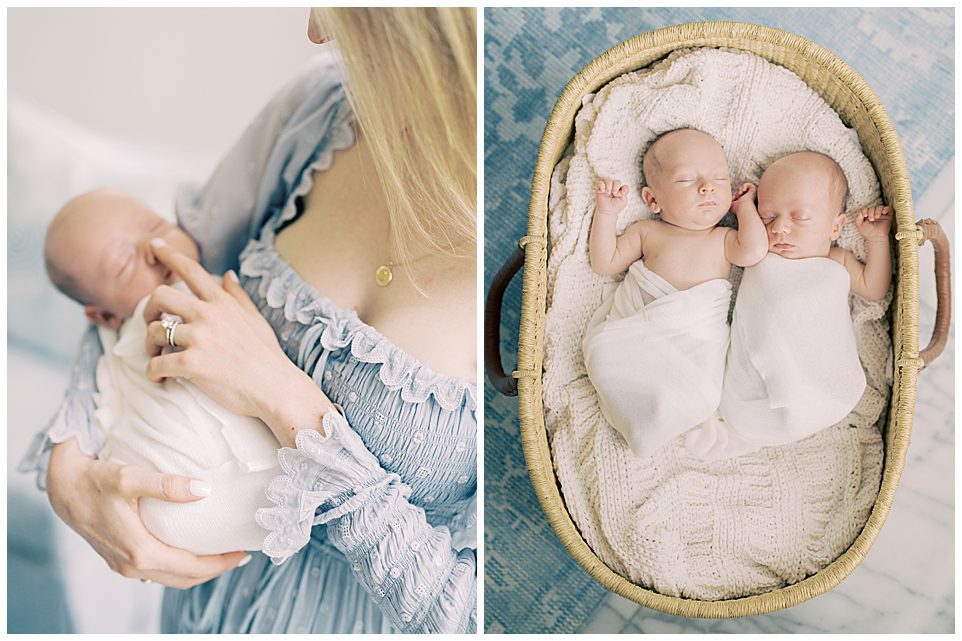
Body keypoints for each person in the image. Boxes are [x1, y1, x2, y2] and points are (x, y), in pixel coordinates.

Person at [27, 7, 477, 633]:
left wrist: (288, 404)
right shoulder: (320, 110)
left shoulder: (546, 254)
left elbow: (467, 616)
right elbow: (153, 283)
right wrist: (65, 464)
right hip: (197, 614)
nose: (316, 30)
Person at [43, 189, 280, 555]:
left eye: (158, 227)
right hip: (179, 491)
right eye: (124, 264)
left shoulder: (221, 278)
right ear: (105, 317)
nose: (156, 250)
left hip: (231, 504)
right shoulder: (146, 318)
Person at [687, 150, 888, 460]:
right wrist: (744, 208)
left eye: (800, 217)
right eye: (768, 216)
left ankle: (799, 400)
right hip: (750, 388)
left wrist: (877, 240)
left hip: (814, 381)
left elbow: (874, 289)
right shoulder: (758, 250)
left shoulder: (836, 261)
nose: (779, 227)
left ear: (836, 228)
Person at [582, 128, 767, 459]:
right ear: (653, 200)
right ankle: (642, 413)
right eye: (686, 181)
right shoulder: (646, 232)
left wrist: (745, 209)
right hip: (639, 340)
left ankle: (665, 415)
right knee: (604, 358)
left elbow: (753, 251)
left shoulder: (723, 238)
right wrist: (607, 214)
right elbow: (605, 262)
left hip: (693, 345)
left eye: (719, 179)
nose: (707, 187)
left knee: (705, 394)